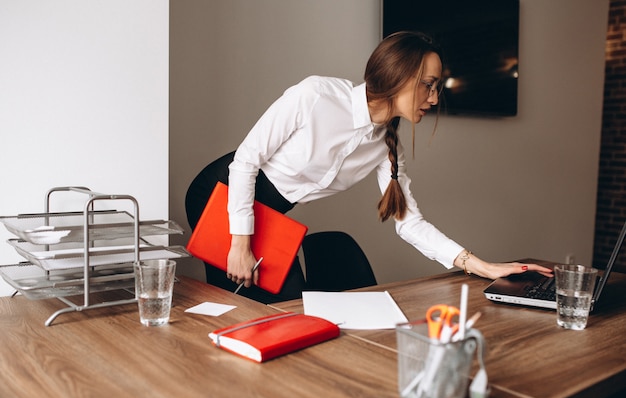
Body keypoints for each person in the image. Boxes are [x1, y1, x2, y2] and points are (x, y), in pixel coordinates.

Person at [186, 31, 552, 303]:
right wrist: (240, 241)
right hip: (223, 193)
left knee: (288, 308)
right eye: (428, 85)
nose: (435, 98)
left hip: (269, 214)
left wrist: (482, 266)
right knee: (245, 305)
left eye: (437, 87)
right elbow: (245, 161)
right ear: (399, 77)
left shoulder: (385, 146)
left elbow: (410, 224)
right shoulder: (315, 96)